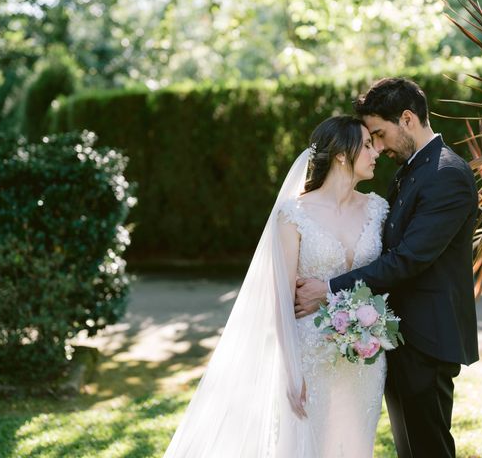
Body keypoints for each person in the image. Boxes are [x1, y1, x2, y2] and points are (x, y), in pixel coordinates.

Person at [163, 115, 389, 458]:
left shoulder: (378, 208)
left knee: (357, 444)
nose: (377, 152)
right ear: (342, 154)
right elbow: (281, 299)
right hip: (311, 353)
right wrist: (291, 371)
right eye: (368, 145)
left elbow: (384, 274)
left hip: (366, 355)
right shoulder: (293, 214)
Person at [296, 77, 480, 458]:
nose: (377, 146)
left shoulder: (447, 174)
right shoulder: (413, 170)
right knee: (410, 447)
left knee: (427, 447)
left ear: (408, 119)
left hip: (427, 340)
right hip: (399, 339)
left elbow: (408, 259)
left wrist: (329, 287)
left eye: (379, 134)